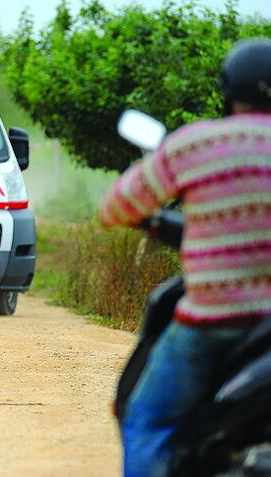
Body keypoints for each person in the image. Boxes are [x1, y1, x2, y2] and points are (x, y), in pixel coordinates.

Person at [98, 37, 271, 476]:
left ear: (228, 91)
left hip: (213, 321)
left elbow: (114, 208)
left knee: (148, 423)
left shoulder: (195, 144)